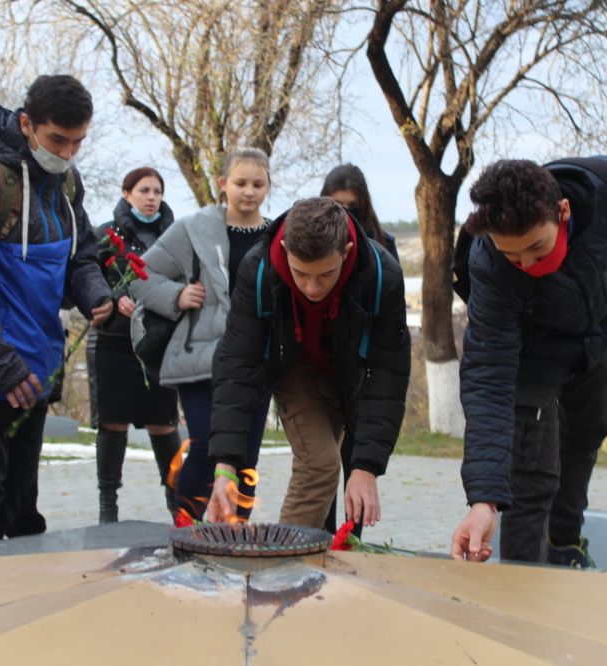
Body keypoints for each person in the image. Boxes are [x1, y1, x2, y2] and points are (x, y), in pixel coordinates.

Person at [0, 75, 112, 545]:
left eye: (78, 142)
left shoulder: (66, 183)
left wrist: (94, 294)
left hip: (33, 368)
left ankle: (22, 598)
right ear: (27, 124)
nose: (68, 152)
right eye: (58, 140)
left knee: (20, 502)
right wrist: (2, 366)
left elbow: (83, 256)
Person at [449, 157, 607, 566]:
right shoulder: (490, 266)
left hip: (592, 340)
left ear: (563, 212)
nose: (527, 265)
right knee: (531, 477)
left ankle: (564, 549)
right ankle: (522, 587)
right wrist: (483, 499)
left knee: (586, 435)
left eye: (537, 247)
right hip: (531, 358)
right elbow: (488, 377)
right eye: (513, 254)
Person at [205, 197, 410, 530]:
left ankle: (320, 561)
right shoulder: (258, 268)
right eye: (301, 274)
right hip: (294, 369)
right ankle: (282, 564)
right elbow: (236, 365)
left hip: (349, 373)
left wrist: (367, 467)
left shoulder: (381, 274)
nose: (312, 288)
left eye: (326, 274)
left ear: (345, 251)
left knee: (338, 480)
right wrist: (225, 466)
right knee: (320, 464)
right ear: (285, 248)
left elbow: (389, 372)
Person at [131, 148, 273, 524]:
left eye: (258, 184)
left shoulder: (278, 237)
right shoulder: (193, 229)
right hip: (200, 359)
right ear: (223, 184)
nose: (249, 192)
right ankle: (186, 532)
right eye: (240, 183)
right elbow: (139, 276)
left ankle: (234, 535)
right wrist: (176, 296)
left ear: (268, 187)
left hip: (254, 362)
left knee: (246, 455)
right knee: (207, 447)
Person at [91, 167, 182, 523]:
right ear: (127, 194)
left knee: (164, 423)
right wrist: (112, 300)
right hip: (114, 343)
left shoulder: (175, 235)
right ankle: (107, 507)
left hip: (157, 345)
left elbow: (183, 280)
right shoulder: (105, 235)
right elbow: (90, 279)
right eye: (144, 190)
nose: (151, 197)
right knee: (113, 423)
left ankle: (179, 505)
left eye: (157, 191)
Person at [318, 164, 400, 537]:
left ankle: (350, 543)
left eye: (353, 206)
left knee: (357, 465)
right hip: (320, 368)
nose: (345, 215)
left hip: (362, 372)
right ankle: (319, 539)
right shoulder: (315, 242)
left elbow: (389, 327)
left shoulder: (384, 250)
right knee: (320, 465)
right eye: (336, 206)